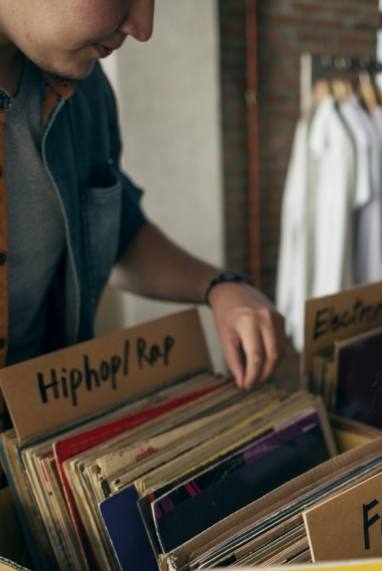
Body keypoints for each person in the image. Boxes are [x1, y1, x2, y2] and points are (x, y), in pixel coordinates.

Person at [0, 0, 283, 388]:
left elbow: (117, 234)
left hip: (40, 420)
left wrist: (220, 285)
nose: (143, 27)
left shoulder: (84, 89)